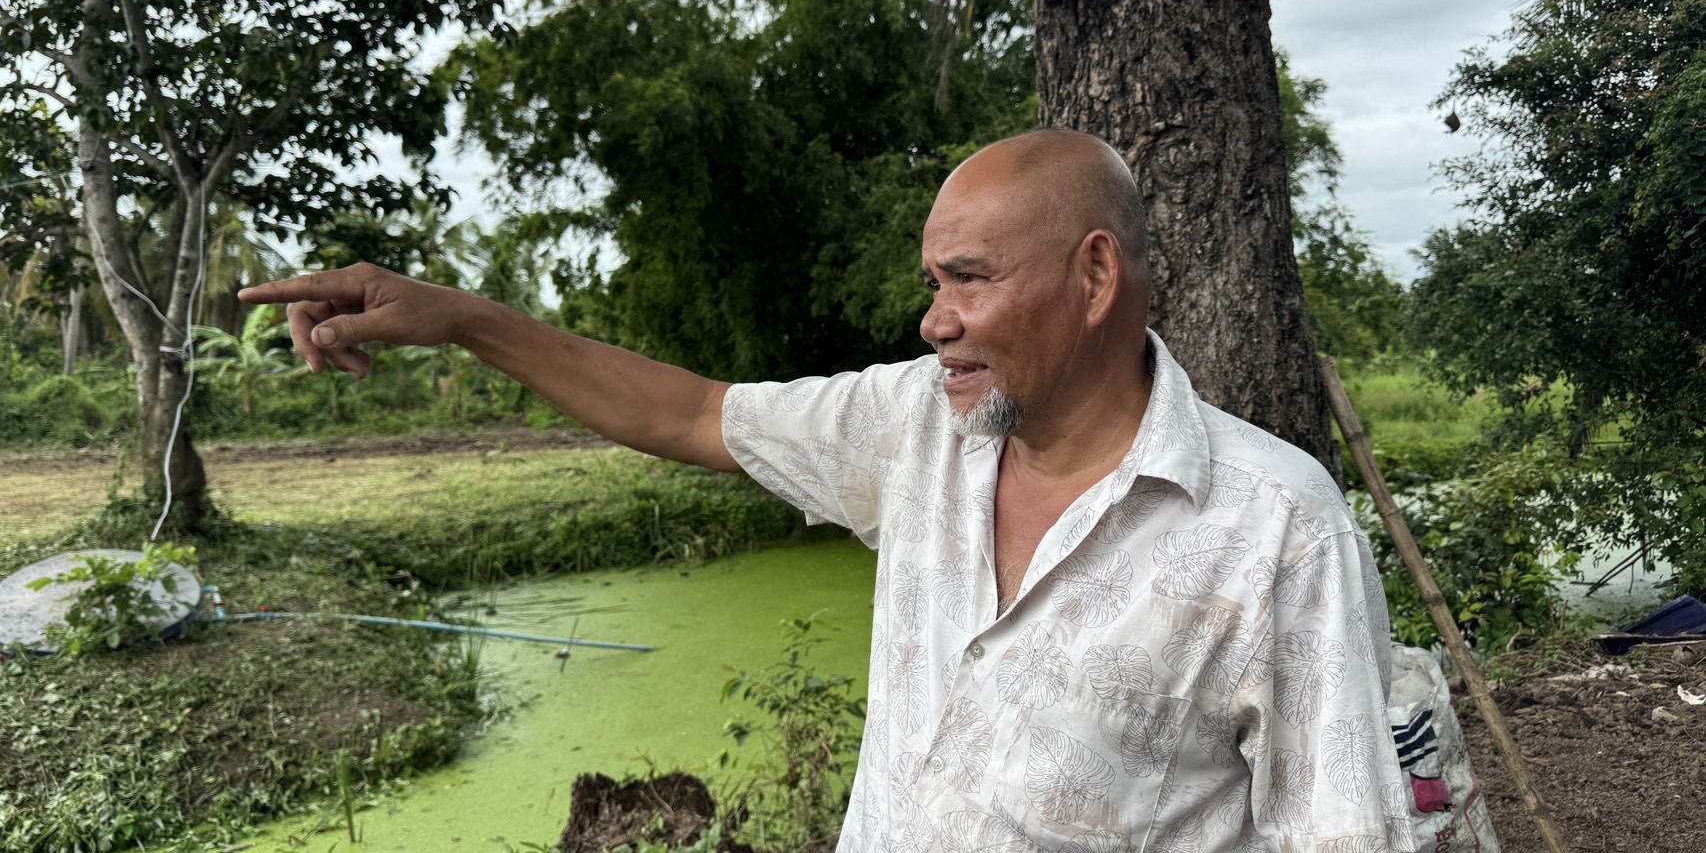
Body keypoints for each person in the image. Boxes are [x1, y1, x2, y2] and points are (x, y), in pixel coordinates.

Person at [242, 128, 1414, 853]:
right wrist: (461, 321)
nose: (932, 320)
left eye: (966, 280)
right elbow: (690, 412)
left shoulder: (1274, 528)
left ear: (1094, 274)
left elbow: (1341, 835)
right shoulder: (914, 428)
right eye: (929, 282)